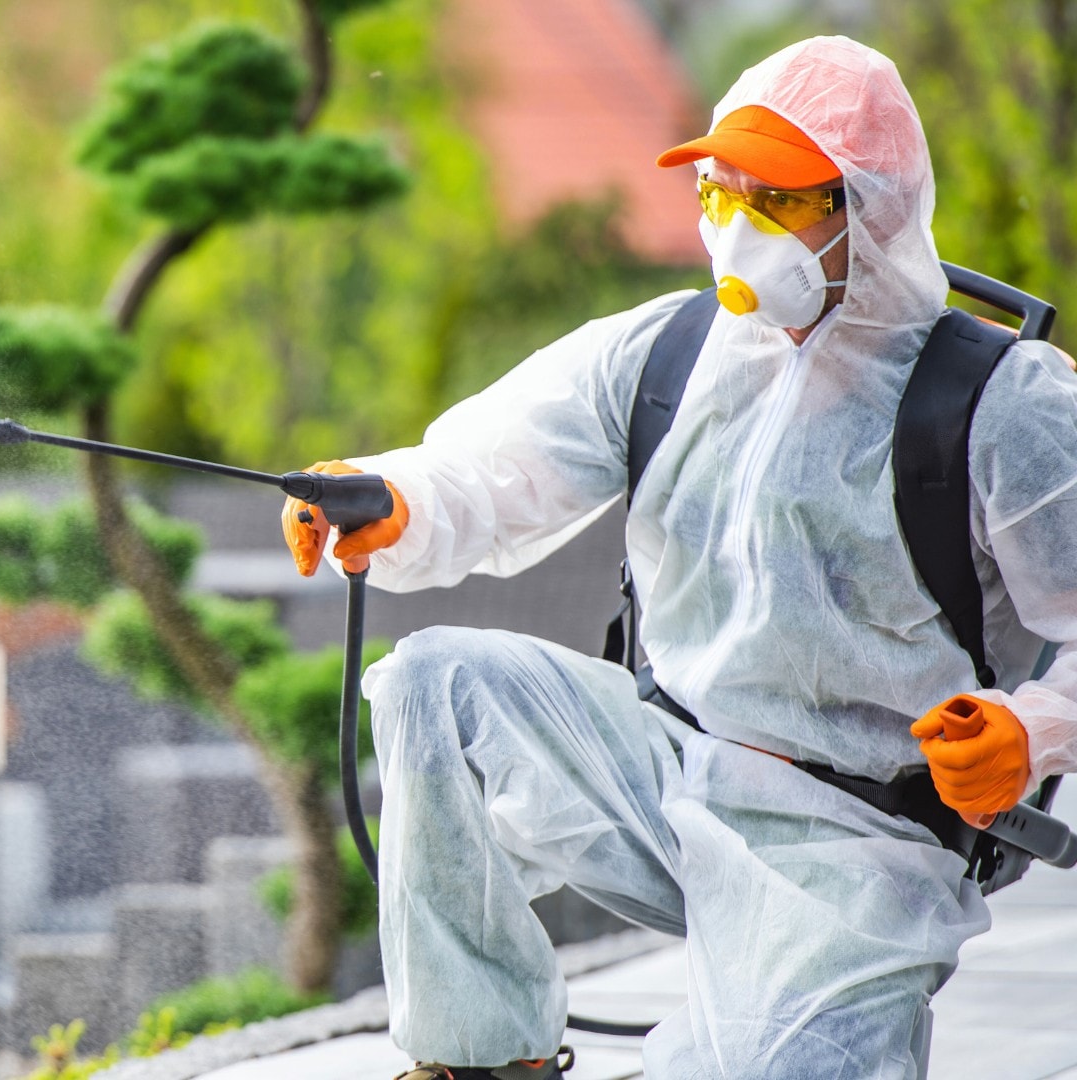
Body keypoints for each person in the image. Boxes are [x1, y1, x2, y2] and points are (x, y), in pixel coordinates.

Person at [280, 36, 1077, 1080]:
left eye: (777, 202)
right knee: (435, 684)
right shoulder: (672, 351)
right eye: (717, 190)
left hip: (856, 845)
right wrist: (391, 498)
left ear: (866, 213)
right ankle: (478, 1059)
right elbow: (492, 467)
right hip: (663, 772)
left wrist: (1032, 730)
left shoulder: (1001, 404)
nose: (733, 227)